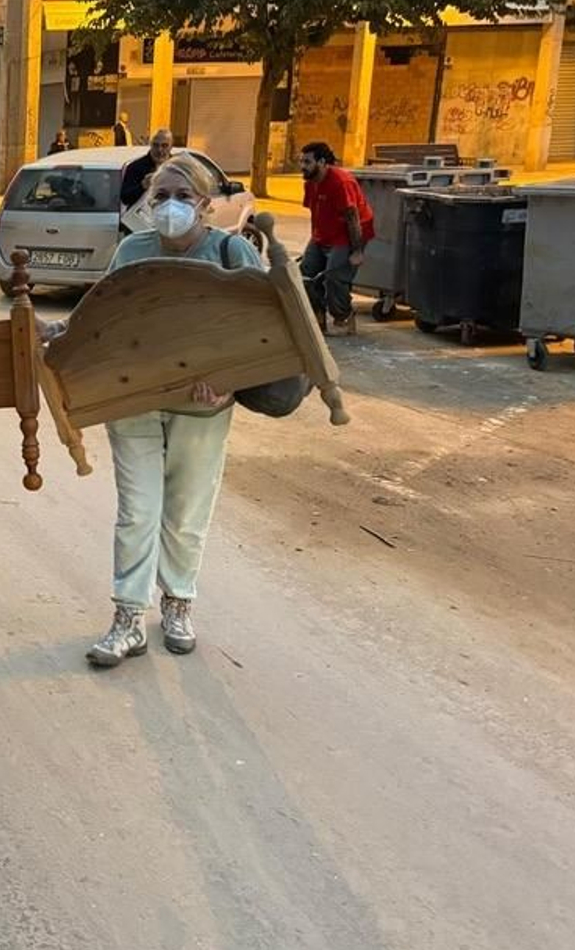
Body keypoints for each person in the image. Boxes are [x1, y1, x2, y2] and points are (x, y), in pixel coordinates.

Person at [80, 153, 260, 667]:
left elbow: (263, 326)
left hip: (201, 407)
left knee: (185, 513)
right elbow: (104, 314)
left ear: (206, 205)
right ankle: (129, 617)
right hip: (134, 399)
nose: (171, 207)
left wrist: (228, 383)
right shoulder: (132, 250)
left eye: (184, 197)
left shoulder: (231, 252)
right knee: (137, 512)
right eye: (161, 197)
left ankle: (178, 603)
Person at [299, 141, 374, 336]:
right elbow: (315, 214)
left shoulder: (341, 182)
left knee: (334, 277)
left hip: (348, 235)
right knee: (304, 275)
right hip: (323, 235)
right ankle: (318, 316)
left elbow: (353, 217)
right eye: (301, 161)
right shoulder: (310, 183)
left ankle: (343, 316)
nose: (302, 166)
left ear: (322, 162)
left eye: (307, 162)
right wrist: (313, 241)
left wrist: (357, 251)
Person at [119, 128, 175, 209]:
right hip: (140, 219)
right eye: (156, 145)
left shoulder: (178, 167)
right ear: (150, 145)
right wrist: (143, 186)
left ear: (171, 147)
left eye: (164, 145)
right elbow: (125, 198)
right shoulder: (135, 167)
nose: (160, 150)